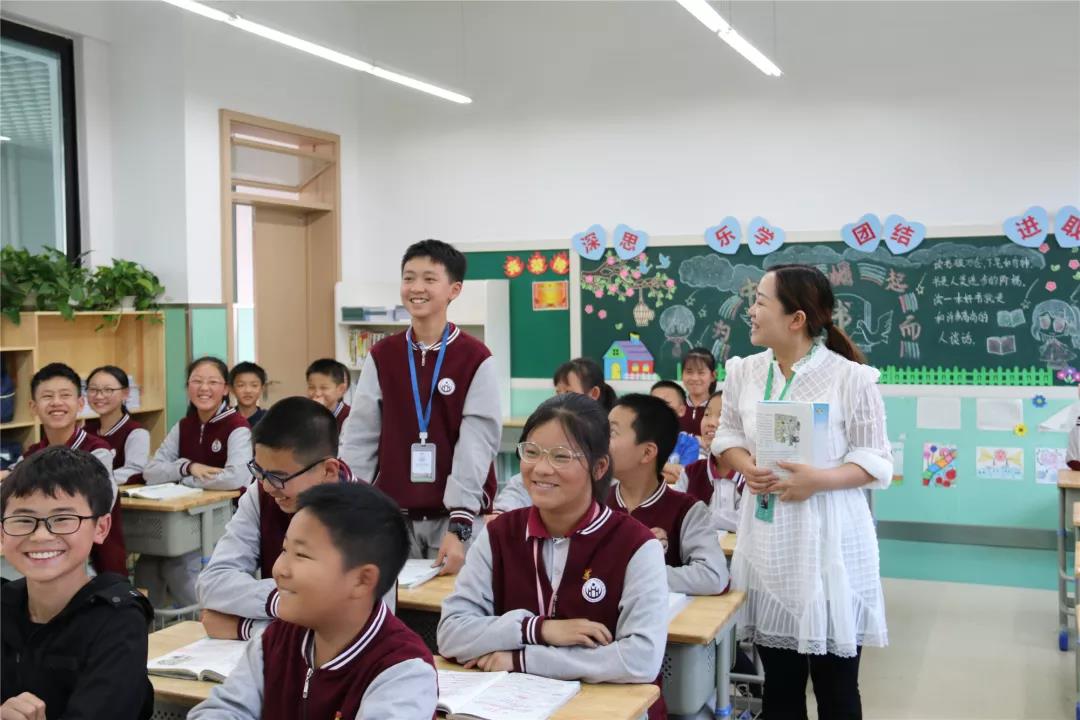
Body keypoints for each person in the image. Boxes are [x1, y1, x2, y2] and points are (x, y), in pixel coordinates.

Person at [713, 264, 892, 719]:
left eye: (760, 302)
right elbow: (726, 436)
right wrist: (746, 466)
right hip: (769, 542)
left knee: (836, 690)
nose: (751, 311)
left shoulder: (850, 378)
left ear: (796, 319)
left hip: (831, 544)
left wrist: (818, 480)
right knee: (780, 687)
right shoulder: (744, 372)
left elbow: (875, 460)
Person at [437, 393, 669, 719]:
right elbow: (450, 633)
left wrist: (523, 660)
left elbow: (640, 659)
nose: (541, 469)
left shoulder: (636, 545)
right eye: (531, 452)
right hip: (510, 708)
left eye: (561, 456)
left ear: (599, 467)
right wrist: (537, 630)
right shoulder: (499, 534)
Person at [189, 483, 437, 720]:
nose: (279, 570)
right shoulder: (275, 641)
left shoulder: (403, 671)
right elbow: (223, 709)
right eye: (284, 550)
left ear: (362, 580)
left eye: (301, 555)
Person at [340, 239, 500, 575]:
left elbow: (476, 445)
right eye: (409, 278)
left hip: (454, 520)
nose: (416, 288)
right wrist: (351, 507)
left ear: (454, 289)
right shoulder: (382, 355)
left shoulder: (475, 357)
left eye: (429, 279)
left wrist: (460, 524)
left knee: (453, 603)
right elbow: (360, 437)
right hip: (391, 518)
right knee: (392, 602)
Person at [2, 447, 153, 720]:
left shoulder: (117, 619)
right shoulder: (5, 603)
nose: (40, 535)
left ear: (101, 528)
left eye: (62, 519)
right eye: (23, 520)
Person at [197, 397, 359, 640]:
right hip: (268, 655)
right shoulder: (260, 494)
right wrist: (282, 601)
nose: (267, 486)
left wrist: (244, 627)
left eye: (278, 477)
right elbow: (212, 582)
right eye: (259, 471)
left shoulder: (368, 515)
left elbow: (347, 632)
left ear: (328, 470)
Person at [141, 356, 252, 606]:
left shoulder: (237, 426)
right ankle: (149, 626)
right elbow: (151, 471)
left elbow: (236, 477)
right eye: (197, 381)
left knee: (179, 566)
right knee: (147, 564)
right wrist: (187, 467)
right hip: (181, 517)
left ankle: (205, 618)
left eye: (213, 382)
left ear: (225, 389)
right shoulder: (184, 426)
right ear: (188, 386)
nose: (204, 388)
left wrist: (187, 482)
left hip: (224, 517)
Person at [607, 394, 728, 595]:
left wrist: (635, 572)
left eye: (611, 432)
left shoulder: (687, 511)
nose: (600, 441)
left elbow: (713, 576)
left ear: (647, 453)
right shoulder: (594, 504)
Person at [20, 363, 122, 576]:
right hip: (44, 555)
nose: (56, 402)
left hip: (96, 563)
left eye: (65, 395)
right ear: (33, 407)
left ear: (80, 403)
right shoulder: (31, 455)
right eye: (47, 396)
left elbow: (102, 501)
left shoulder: (97, 451)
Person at [492, 357, 616, 513]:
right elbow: (521, 485)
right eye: (558, 392)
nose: (542, 469)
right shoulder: (550, 427)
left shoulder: (606, 439)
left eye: (561, 456)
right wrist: (502, 510)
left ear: (594, 393)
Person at [682, 390, 744, 531]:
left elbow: (751, 522)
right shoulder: (690, 472)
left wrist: (697, 517)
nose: (710, 423)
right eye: (707, 414)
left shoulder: (755, 475)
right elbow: (676, 514)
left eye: (722, 416)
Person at [306, 358, 352, 434]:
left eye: (324, 388)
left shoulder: (349, 417)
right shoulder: (305, 414)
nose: (317, 393)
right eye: (311, 387)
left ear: (341, 390)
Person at [679, 347, 717, 438]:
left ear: (713, 376)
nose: (695, 378)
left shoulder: (722, 409)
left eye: (701, 373)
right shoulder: (675, 408)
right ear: (682, 375)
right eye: (689, 372)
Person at [229, 361, 268, 427]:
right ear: (232, 389)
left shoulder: (269, 418)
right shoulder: (225, 419)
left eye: (254, 385)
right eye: (241, 385)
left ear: (262, 388)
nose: (248, 390)